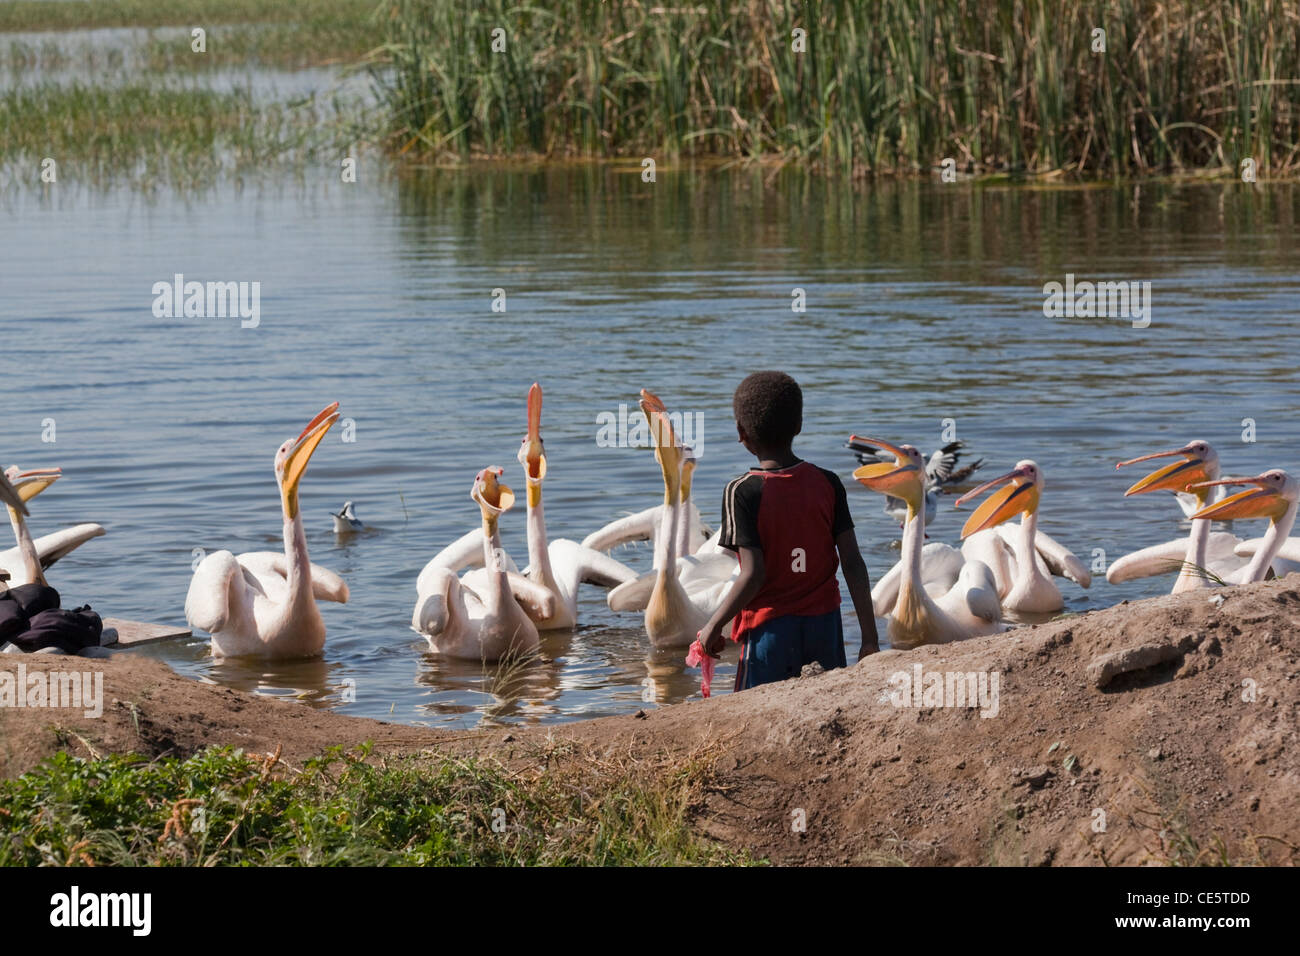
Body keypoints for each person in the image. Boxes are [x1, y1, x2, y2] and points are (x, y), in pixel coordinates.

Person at [698, 371, 879, 690]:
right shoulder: (828, 483)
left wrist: (714, 625)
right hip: (825, 627)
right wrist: (869, 638)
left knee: (756, 714)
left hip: (770, 633)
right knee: (826, 703)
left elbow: (752, 575)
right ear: (799, 425)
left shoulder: (742, 491)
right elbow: (852, 563)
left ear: (741, 433)